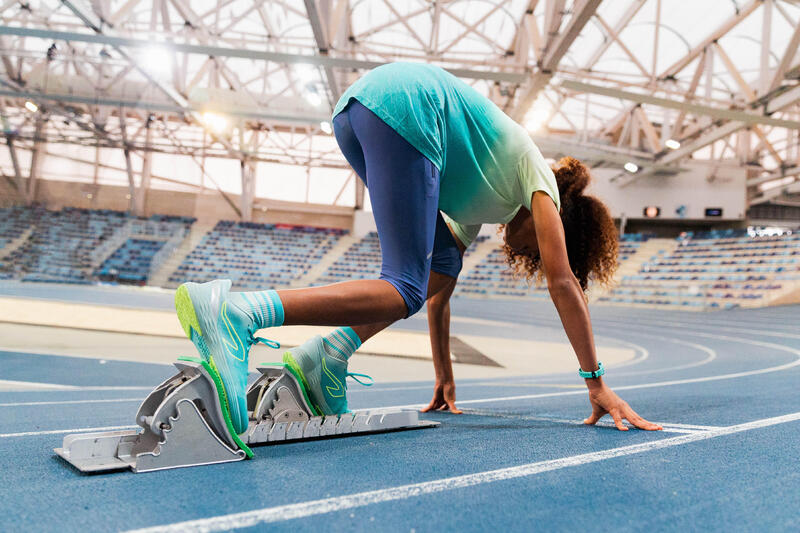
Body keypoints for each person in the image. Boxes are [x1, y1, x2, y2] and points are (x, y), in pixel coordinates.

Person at [174, 62, 661, 435]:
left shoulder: (487, 195)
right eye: (537, 249)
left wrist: (445, 376)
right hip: (407, 111)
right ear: (556, 223)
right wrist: (595, 382)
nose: (526, 254)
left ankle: (325, 354)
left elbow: (441, 288)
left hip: (359, 111)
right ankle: (239, 313)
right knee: (402, 286)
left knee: (439, 267)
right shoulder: (540, 184)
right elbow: (563, 282)